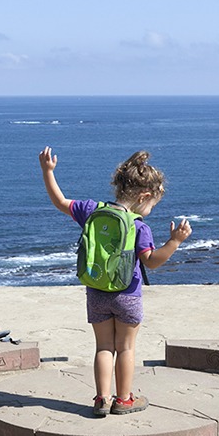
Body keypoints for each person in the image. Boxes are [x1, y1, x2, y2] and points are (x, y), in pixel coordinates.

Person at [38, 146, 192, 417]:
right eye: (152, 204)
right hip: (128, 296)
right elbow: (152, 261)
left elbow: (60, 201)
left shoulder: (92, 210)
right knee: (126, 348)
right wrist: (175, 241)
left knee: (103, 347)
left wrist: (48, 171)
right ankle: (124, 400)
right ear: (145, 196)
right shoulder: (138, 226)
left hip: (96, 291)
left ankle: (101, 399)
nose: (150, 210)